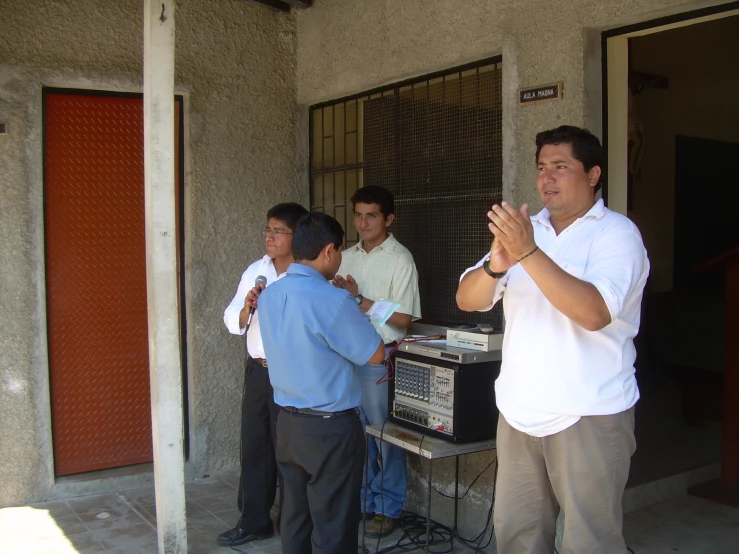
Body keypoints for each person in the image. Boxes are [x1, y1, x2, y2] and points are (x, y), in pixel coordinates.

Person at [456, 126, 649, 554]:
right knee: (516, 537)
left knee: (589, 543)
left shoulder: (616, 234)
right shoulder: (528, 231)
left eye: (561, 167)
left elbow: (594, 312)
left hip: (589, 414)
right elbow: (466, 299)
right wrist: (495, 267)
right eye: (542, 168)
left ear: (593, 174)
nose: (547, 178)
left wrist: (527, 254)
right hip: (519, 412)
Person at [257, 211, 386, 554]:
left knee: (295, 518)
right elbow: (375, 353)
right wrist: (356, 304)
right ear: (329, 251)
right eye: (341, 251)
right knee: (334, 526)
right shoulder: (332, 299)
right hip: (330, 430)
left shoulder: (270, 295)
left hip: (286, 423)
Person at [333, 185, 421, 538]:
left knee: (386, 437)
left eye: (372, 215)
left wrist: (361, 300)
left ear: (389, 218)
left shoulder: (400, 259)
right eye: (358, 214)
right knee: (358, 437)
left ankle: (388, 508)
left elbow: (404, 319)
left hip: (379, 361)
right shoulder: (345, 256)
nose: (363, 222)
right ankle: (364, 502)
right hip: (345, 359)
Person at [219, 202, 308, 547]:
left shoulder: (304, 275)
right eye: (267, 230)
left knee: (288, 448)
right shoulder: (256, 270)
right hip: (258, 371)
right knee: (255, 446)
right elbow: (230, 318)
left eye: (278, 231)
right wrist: (246, 310)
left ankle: (293, 523)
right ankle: (254, 520)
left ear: (296, 236)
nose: (269, 237)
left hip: (291, 374)